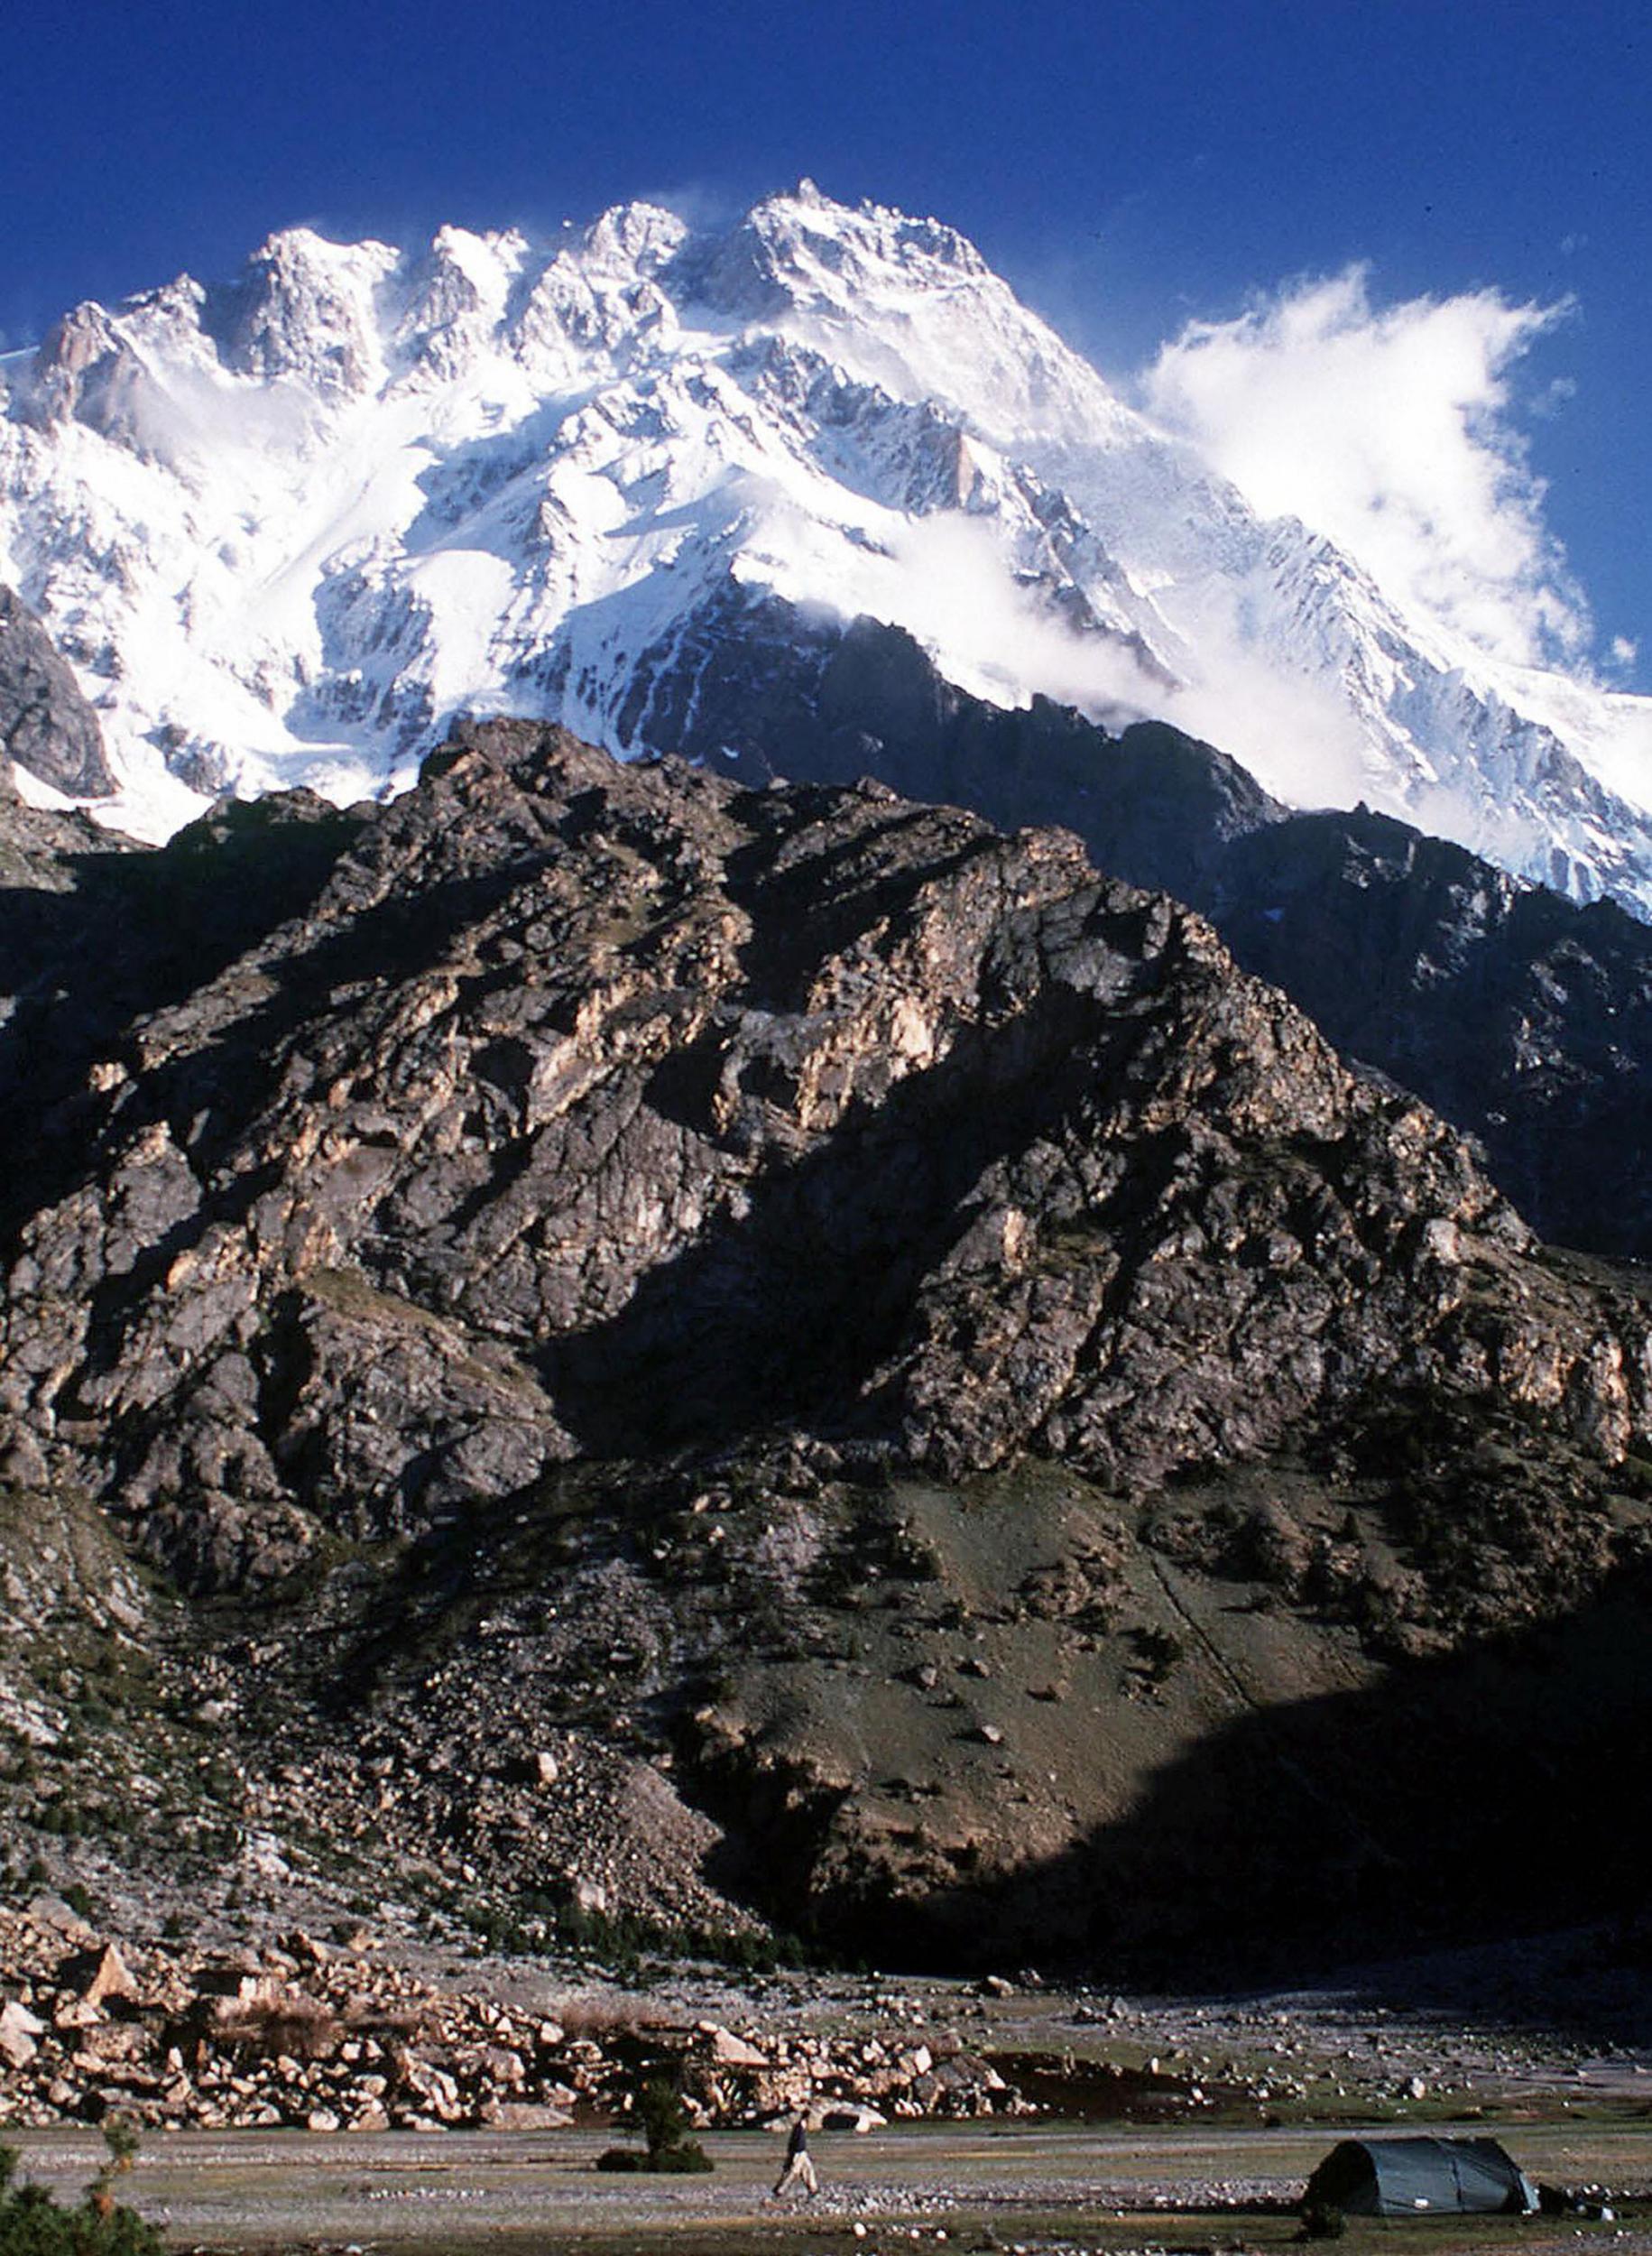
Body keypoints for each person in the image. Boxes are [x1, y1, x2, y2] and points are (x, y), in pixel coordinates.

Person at [772, 2114, 818, 2198]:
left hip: (802, 2153)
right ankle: (780, 2190)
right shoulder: (799, 2129)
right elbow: (795, 2144)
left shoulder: (799, 2129)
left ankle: (813, 2189)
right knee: (793, 2172)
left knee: (808, 2170)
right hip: (798, 2153)